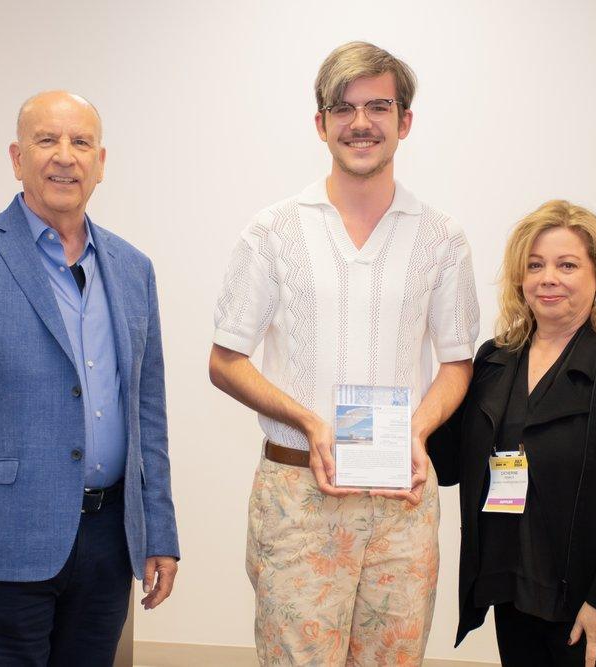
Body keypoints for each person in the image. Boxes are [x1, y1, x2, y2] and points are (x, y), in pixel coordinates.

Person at [209, 41, 479, 664]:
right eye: (343, 107)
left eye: (378, 106)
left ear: (404, 121)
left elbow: (457, 362)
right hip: (298, 493)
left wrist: (417, 430)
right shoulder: (272, 231)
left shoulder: (442, 236)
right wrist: (309, 421)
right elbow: (225, 360)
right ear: (321, 123)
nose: (361, 123)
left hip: (401, 500)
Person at [0, 91, 180, 666]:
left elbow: (148, 414)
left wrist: (160, 533)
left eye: (81, 142)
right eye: (46, 140)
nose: (64, 157)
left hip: (105, 543)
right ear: (16, 157)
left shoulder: (132, 269)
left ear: (102, 162)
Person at [429, 200, 596, 667]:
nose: (548, 278)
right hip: (513, 590)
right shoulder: (494, 360)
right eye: (535, 265)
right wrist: (437, 364)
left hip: (593, 611)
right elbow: (447, 464)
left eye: (567, 265)